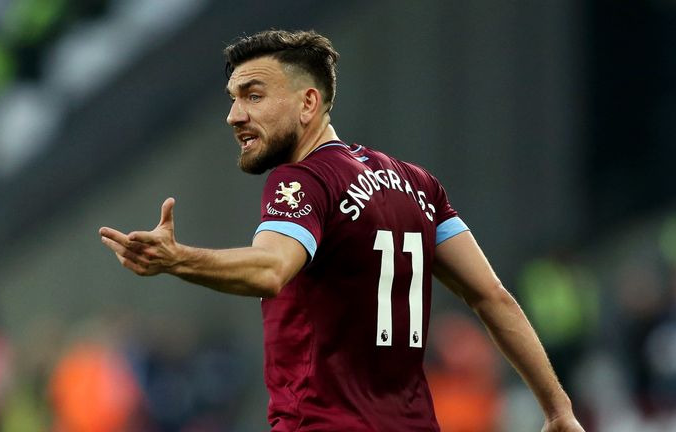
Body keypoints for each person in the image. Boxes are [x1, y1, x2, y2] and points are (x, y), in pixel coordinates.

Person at [99, 29, 584, 432]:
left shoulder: (303, 179)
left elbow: (270, 269)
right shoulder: (417, 184)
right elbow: (492, 297)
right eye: (233, 99)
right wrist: (559, 410)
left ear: (309, 102)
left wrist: (177, 258)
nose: (234, 115)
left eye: (253, 95)